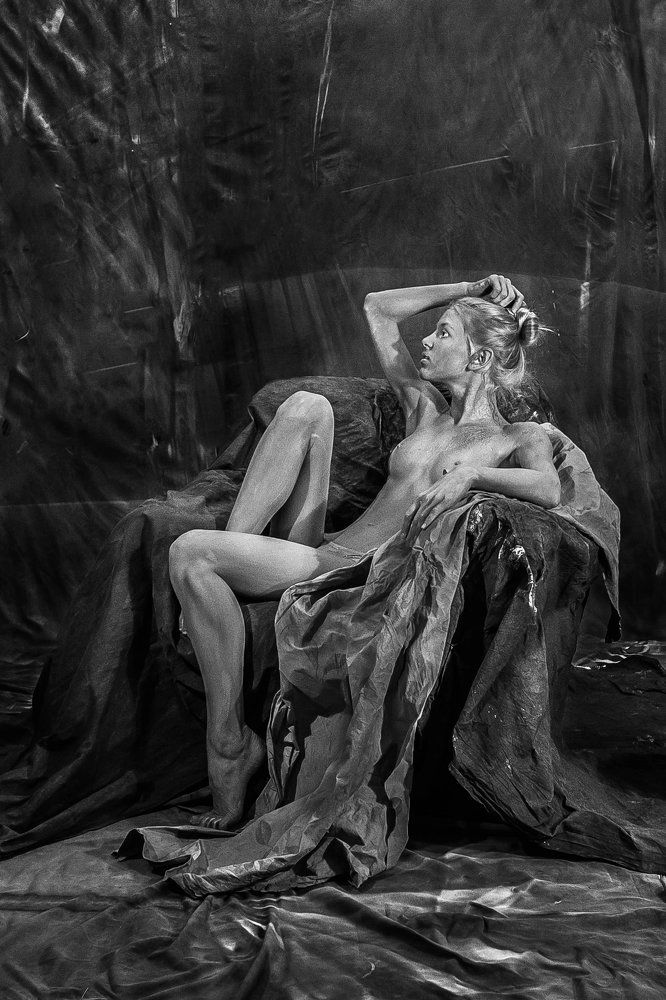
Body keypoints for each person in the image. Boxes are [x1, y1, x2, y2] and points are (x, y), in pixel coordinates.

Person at [168, 273, 560, 825]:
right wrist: (468, 289)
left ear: (478, 359)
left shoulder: (517, 438)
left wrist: (471, 475)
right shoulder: (425, 409)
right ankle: (235, 560)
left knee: (191, 552)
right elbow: (378, 308)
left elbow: (548, 488)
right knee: (305, 407)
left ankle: (230, 746)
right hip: (323, 548)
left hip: (353, 571)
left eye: (443, 333)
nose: (426, 341)